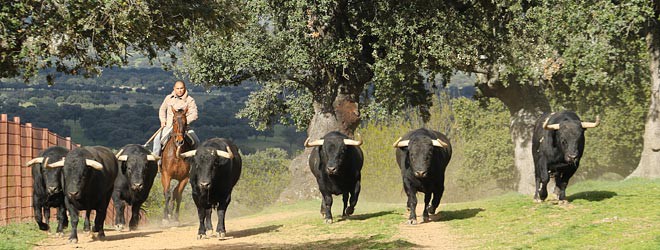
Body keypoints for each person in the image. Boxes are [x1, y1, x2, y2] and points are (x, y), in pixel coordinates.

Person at [152, 80, 199, 157]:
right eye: (178, 88)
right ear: (174, 88)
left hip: (184, 128)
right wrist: (163, 120)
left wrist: (183, 121)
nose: (180, 90)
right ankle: (157, 162)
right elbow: (162, 109)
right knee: (157, 140)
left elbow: (194, 114)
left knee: (196, 141)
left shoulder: (190, 100)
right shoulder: (168, 98)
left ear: (185, 88)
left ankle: (196, 163)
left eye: (181, 88)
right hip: (169, 126)